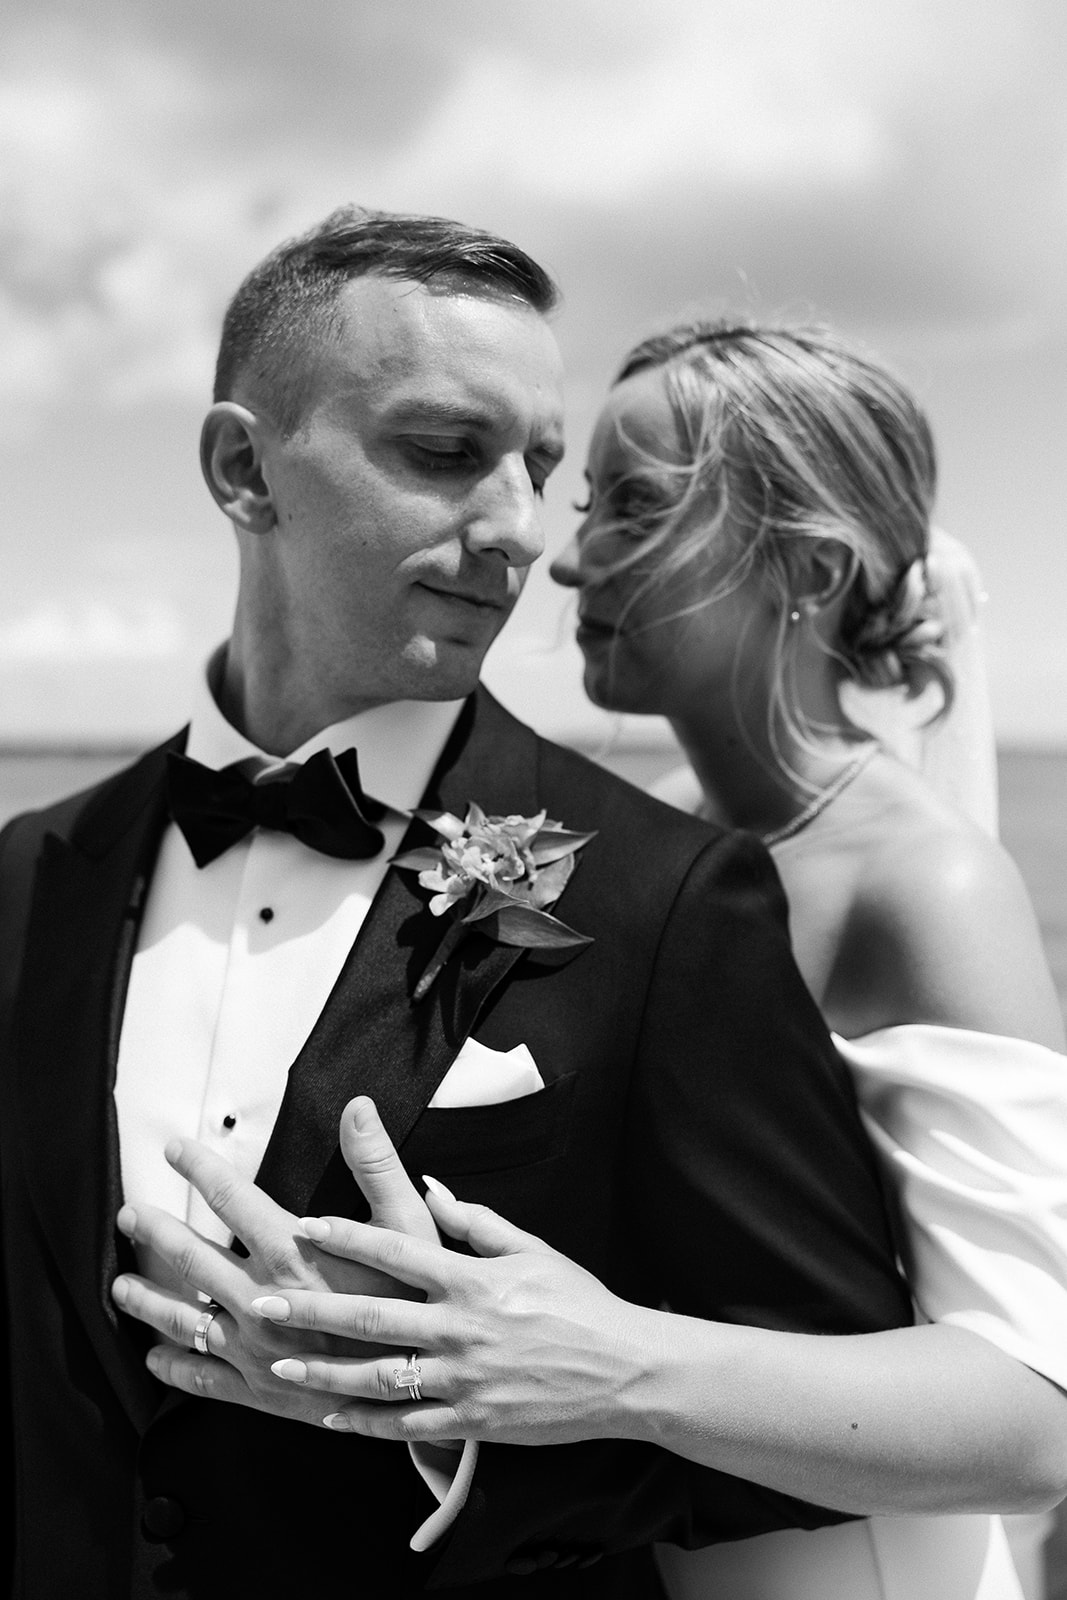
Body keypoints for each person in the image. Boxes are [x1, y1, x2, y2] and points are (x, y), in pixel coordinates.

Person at [0, 215, 935, 1600]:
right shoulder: (30, 873)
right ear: (244, 469)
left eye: (538, 471)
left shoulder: (666, 895)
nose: (518, 533)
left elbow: (826, 1418)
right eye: (444, 451)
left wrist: (473, 1432)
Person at [202, 321, 1067, 1600]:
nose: (563, 558)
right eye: (590, 502)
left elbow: (1033, 1423)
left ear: (811, 570)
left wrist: (609, 1363)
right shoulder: (628, 834)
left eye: (637, 508)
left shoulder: (925, 887)